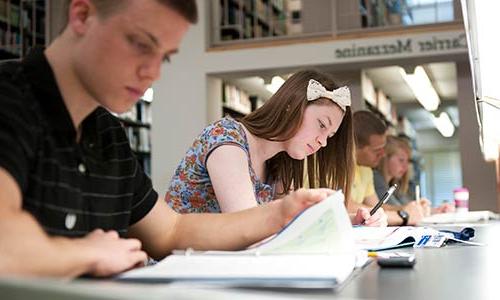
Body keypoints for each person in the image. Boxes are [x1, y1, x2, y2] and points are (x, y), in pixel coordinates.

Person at [0, 0, 335, 278]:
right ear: (83, 15)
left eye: (165, 57)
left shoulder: (107, 133)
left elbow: (170, 231)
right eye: (141, 44)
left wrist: (279, 214)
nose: (153, 73)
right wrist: (85, 253)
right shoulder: (10, 98)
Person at [166, 70, 386, 227]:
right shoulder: (226, 138)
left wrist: (353, 220)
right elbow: (248, 228)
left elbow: (289, 220)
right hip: (175, 275)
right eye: (321, 125)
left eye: (329, 135)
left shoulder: (280, 162)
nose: (323, 142)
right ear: (292, 105)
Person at [347, 111, 425, 226]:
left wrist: (408, 210)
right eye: (376, 150)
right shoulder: (337, 167)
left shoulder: (366, 170)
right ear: (355, 147)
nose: (383, 154)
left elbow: (377, 207)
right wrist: (403, 215)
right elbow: (345, 206)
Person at [374, 136, 454, 219]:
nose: (405, 166)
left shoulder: (395, 183)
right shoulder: (376, 178)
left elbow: (407, 208)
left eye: (407, 161)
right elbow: (398, 209)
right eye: (401, 160)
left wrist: (434, 210)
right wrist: (422, 208)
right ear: (385, 158)